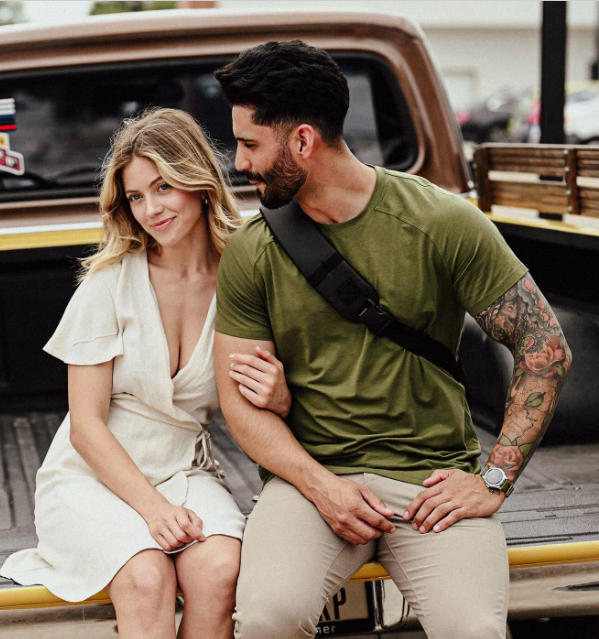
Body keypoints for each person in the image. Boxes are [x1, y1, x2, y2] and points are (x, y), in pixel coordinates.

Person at [211, 41, 572, 639]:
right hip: (312, 483)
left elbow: (546, 351)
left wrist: (494, 480)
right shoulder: (253, 250)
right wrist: (322, 487)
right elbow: (239, 406)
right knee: (267, 620)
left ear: (302, 141)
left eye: (250, 144)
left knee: (474, 631)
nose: (240, 163)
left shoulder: (441, 222)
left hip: (432, 484)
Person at [0, 107, 292, 639]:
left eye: (163, 187)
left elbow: (271, 392)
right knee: (145, 577)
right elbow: (86, 425)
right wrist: (153, 510)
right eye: (136, 196)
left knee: (220, 571)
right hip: (91, 476)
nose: (151, 209)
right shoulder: (107, 285)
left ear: (198, 182)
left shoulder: (245, 278)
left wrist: (279, 396)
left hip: (185, 470)